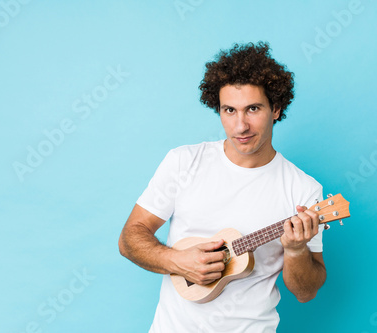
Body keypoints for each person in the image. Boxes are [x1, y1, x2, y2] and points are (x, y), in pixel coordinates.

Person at [118, 42, 327, 332]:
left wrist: (295, 250)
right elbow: (130, 239)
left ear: (276, 108)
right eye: (229, 110)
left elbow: (306, 292)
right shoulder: (184, 162)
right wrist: (177, 261)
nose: (240, 126)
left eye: (253, 109)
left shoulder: (304, 190)